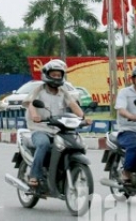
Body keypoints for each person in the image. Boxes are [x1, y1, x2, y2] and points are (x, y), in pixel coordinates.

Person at [23, 59, 91, 189]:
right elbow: (31, 103)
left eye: (59, 75)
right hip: (40, 129)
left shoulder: (63, 92)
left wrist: (83, 117)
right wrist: (34, 115)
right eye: (53, 75)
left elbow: (73, 104)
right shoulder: (39, 90)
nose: (56, 77)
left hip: (59, 130)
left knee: (75, 144)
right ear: (47, 75)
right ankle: (34, 175)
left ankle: (65, 171)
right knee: (43, 144)